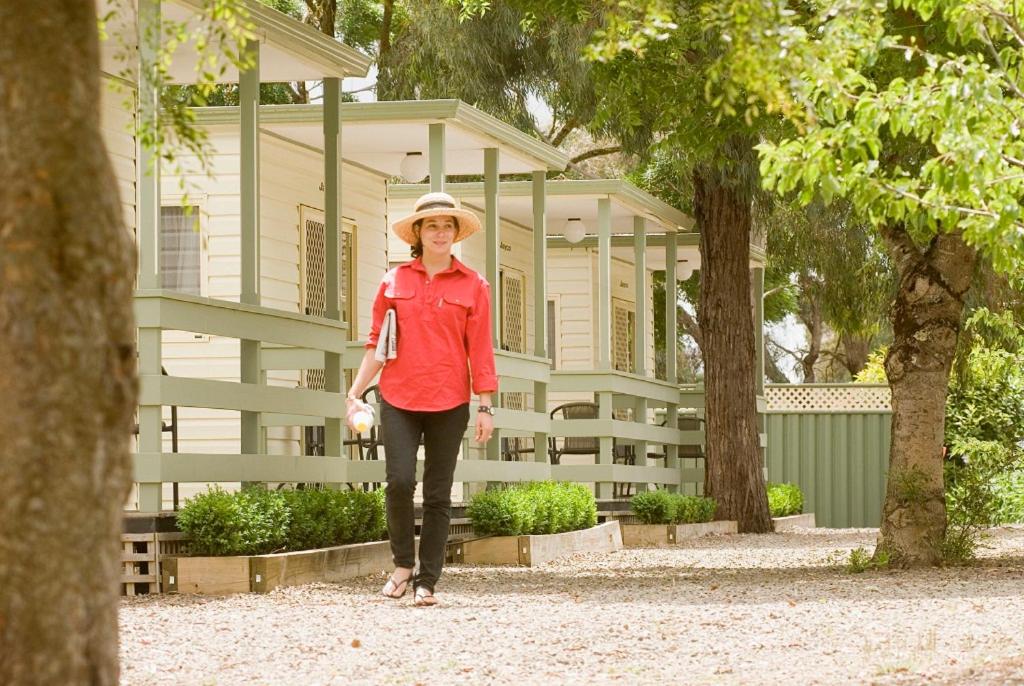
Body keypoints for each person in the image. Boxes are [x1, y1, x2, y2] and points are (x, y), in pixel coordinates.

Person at [345, 191, 497, 607]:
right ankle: (402, 564)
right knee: (397, 482)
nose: (440, 232)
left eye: (447, 225)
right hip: (398, 396)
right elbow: (377, 342)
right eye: (432, 225)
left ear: (455, 233)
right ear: (417, 232)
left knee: (437, 493)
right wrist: (355, 392)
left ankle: (427, 580)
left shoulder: (473, 285)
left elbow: (480, 348)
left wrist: (484, 405)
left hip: (449, 401)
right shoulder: (393, 282)